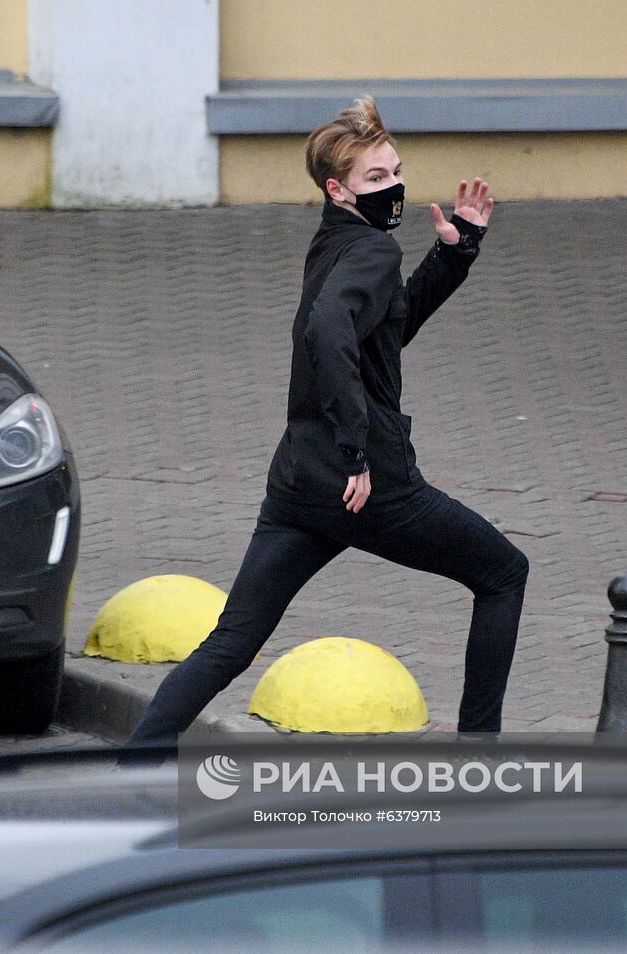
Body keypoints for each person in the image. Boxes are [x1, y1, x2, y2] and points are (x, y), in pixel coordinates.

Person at [127, 97, 529, 748]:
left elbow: (381, 334)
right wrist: (358, 453)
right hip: (369, 488)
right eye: (376, 178)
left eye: (396, 171)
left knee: (231, 643)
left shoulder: (336, 243)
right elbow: (327, 330)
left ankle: (134, 768)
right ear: (338, 189)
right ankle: (479, 757)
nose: (394, 186)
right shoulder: (370, 252)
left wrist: (455, 253)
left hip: (299, 486)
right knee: (504, 573)